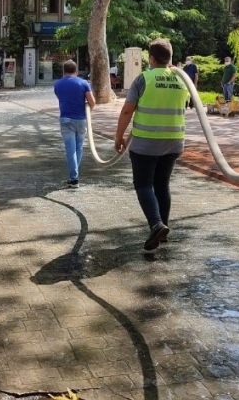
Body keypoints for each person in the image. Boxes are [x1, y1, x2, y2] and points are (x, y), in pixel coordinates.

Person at [114, 39, 188, 251]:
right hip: (173, 143)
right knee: (162, 185)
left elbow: (127, 110)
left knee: (144, 184)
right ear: (171, 58)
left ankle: (156, 224)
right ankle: (162, 229)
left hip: (146, 143)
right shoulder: (182, 80)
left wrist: (119, 136)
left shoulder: (143, 79)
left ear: (151, 58)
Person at [53, 60, 96, 188]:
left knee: (70, 149)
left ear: (63, 71)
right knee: (79, 147)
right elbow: (92, 102)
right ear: (76, 71)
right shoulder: (83, 83)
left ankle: (74, 178)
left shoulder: (57, 84)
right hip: (81, 120)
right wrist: (87, 111)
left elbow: (60, 97)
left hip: (66, 119)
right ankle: (74, 176)